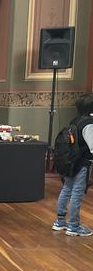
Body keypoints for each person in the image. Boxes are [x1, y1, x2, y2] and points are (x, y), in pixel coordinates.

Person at [52, 93, 93, 237]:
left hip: (70, 161)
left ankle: (60, 221)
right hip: (82, 163)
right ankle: (74, 226)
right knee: (77, 192)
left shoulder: (75, 121)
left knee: (67, 189)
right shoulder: (89, 124)